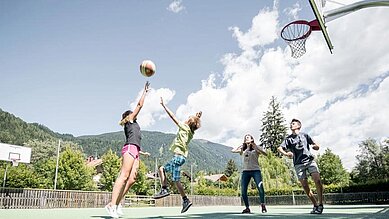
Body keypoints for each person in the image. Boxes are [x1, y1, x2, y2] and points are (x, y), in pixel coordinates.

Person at [105, 81, 150, 219]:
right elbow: (139, 105)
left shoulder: (135, 125)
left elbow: (135, 140)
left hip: (135, 150)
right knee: (123, 176)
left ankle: (117, 204)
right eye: (133, 113)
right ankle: (112, 205)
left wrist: (142, 152)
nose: (135, 114)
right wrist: (145, 92)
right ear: (128, 116)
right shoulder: (130, 119)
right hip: (129, 148)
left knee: (131, 180)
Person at [153, 97, 202, 214]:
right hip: (182, 158)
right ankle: (185, 200)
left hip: (177, 157)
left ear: (188, 123)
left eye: (188, 119)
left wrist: (164, 105)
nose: (186, 119)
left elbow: (172, 116)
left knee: (161, 169)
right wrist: (197, 117)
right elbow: (194, 123)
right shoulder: (191, 133)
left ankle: (164, 189)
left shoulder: (184, 127)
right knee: (176, 180)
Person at [277, 118, 324, 214]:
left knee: (318, 181)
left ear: (299, 126)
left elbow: (316, 144)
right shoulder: (288, 139)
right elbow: (279, 148)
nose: (291, 125)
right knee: (305, 186)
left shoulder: (305, 135)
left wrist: (316, 147)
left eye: (293, 123)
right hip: (298, 164)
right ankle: (315, 204)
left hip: (310, 161)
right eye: (290, 124)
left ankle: (320, 204)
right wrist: (286, 154)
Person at [231, 134, 268, 214]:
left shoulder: (256, 148)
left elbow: (265, 153)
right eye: (245, 138)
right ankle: (247, 208)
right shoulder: (243, 150)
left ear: (252, 139)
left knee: (260, 187)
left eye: (248, 137)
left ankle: (263, 204)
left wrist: (256, 148)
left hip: (256, 170)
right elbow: (233, 150)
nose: (246, 139)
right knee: (243, 190)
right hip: (245, 171)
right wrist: (241, 145)